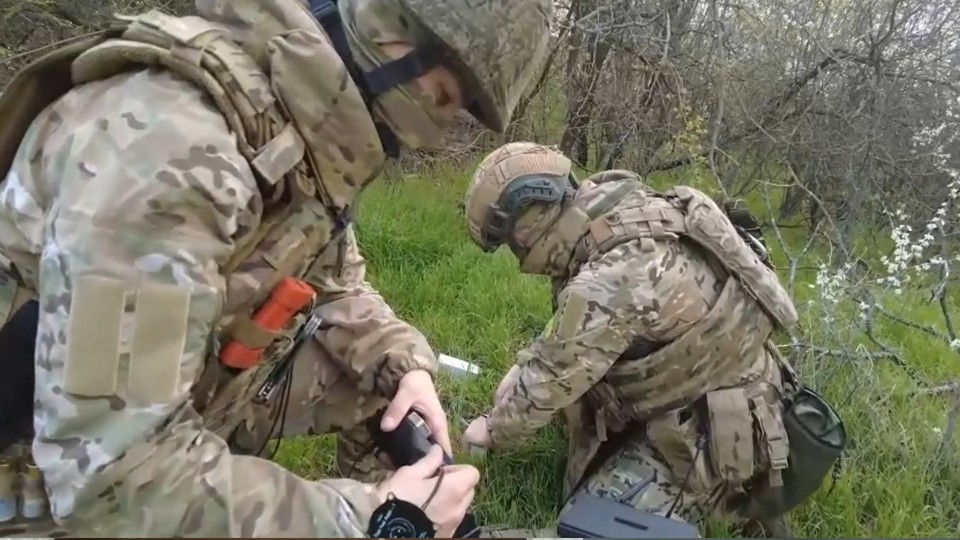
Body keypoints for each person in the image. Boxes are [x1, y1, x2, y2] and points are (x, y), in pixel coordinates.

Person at [0, 0, 552, 536]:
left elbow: (335, 282)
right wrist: (372, 519)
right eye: (445, 97)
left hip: (149, 404)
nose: (438, 127)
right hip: (44, 473)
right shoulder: (174, 154)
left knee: (380, 391)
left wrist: (404, 365)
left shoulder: (281, 131)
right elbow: (111, 482)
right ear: (393, 37)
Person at [460, 142, 804, 538]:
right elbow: (574, 337)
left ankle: (736, 501)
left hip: (721, 427)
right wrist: (523, 366)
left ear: (525, 229)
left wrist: (491, 429)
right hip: (717, 388)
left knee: (587, 528)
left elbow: (550, 379)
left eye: (510, 242)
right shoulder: (622, 213)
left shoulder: (611, 275)